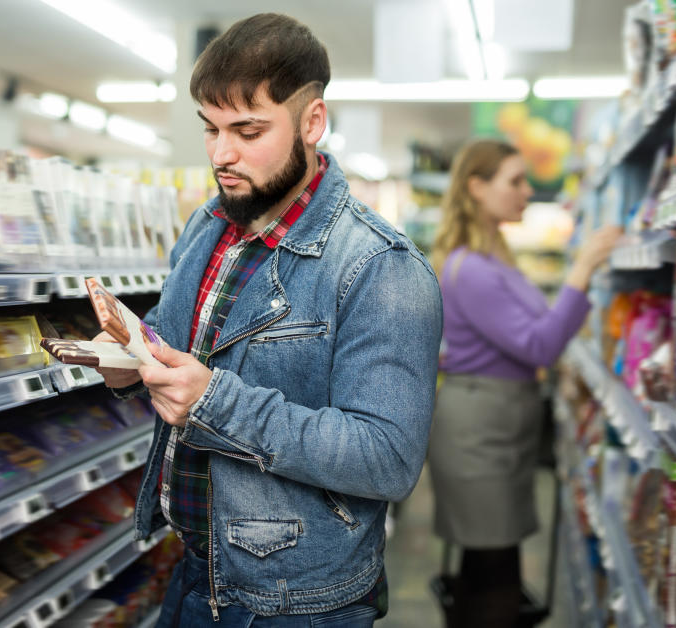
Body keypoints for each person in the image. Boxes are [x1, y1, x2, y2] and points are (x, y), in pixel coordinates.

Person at [93, 13, 442, 627]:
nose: (222, 154)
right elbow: (176, 335)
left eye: (248, 130)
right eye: (211, 129)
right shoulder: (210, 225)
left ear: (312, 122)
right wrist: (131, 352)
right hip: (193, 568)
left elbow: (387, 458)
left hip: (295, 603)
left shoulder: (380, 269)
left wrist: (215, 401)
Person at [427, 139, 622, 627]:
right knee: (495, 564)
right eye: (514, 181)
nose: (527, 190)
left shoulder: (494, 258)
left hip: (499, 424)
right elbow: (539, 346)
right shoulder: (470, 268)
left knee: (490, 556)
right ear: (476, 187)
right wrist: (582, 269)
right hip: (478, 434)